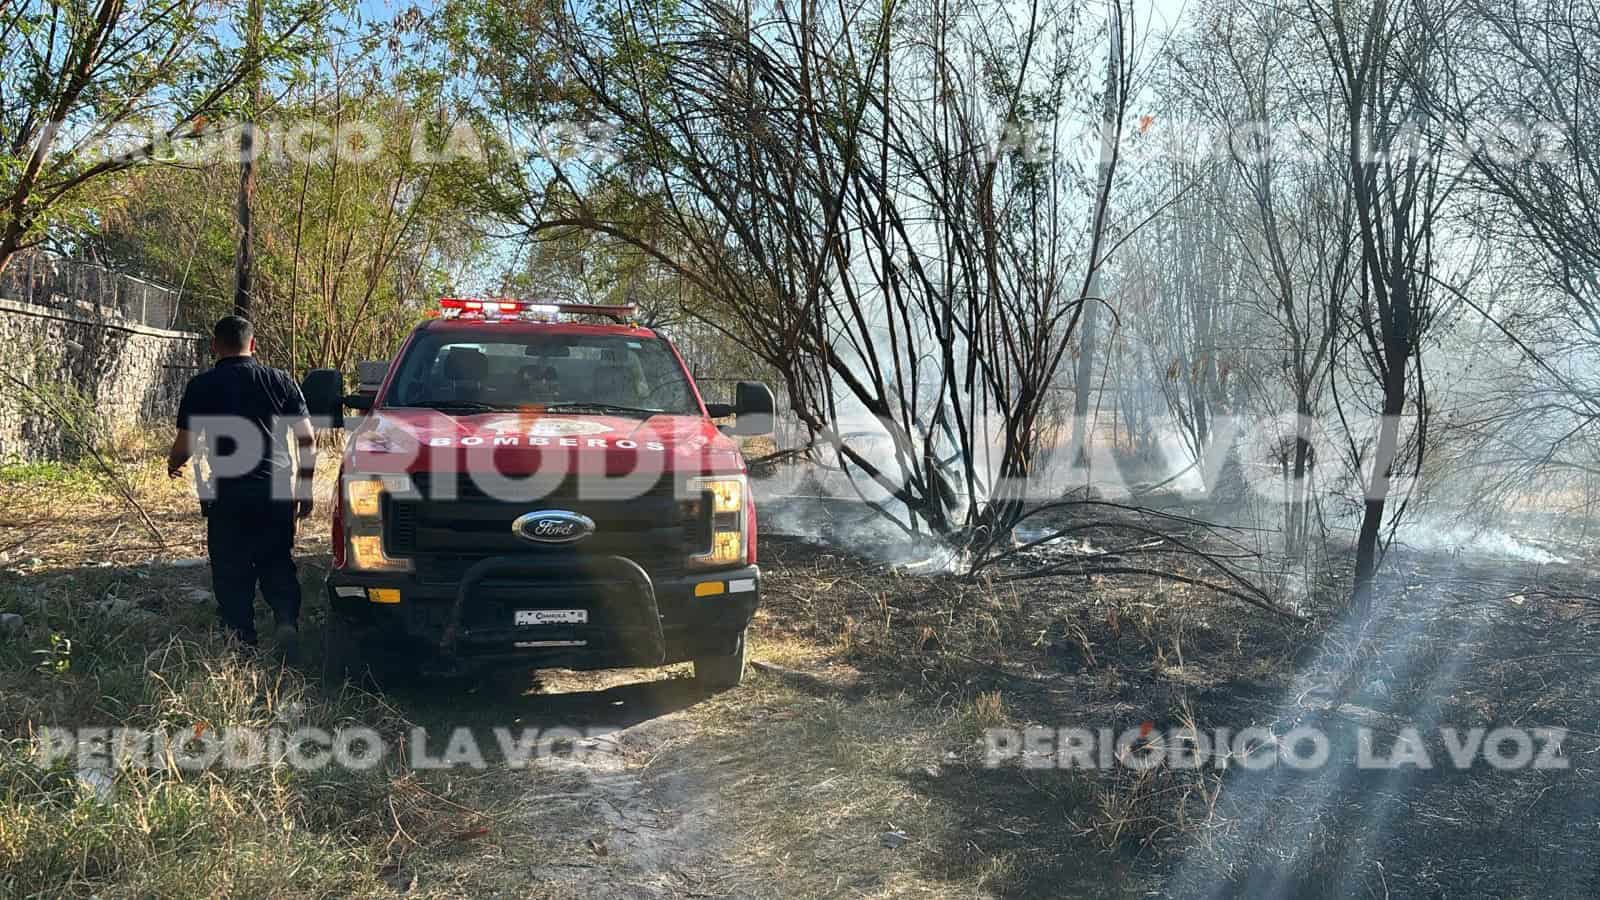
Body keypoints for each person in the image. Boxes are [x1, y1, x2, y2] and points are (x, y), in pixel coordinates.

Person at [166, 316, 315, 661]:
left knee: (231, 567)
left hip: (228, 495)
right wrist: (304, 488)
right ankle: (286, 620)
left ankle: (242, 640)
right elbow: (307, 439)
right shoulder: (280, 380)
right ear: (254, 345)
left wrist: (174, 463)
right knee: (277, 559)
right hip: (275, 491)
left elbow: (186, 443)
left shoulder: (202, 385)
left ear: (215, 346)